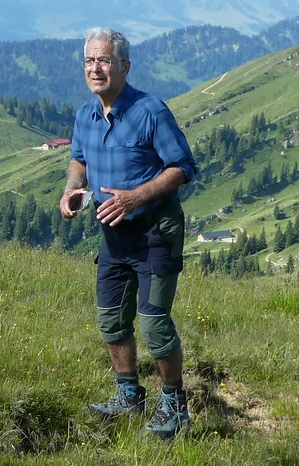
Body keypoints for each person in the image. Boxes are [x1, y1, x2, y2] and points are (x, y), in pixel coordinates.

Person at [59, 27, 198, 439]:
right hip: (113, 233)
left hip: (156, 230)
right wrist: (71, 191)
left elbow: (183, 167)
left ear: (124, 66)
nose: (95, 69)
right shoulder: (86, 114)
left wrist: (137, 197)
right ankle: (128, 396)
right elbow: (79, 161)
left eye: (103, 61)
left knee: (154, 323)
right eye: (89, 61)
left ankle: (175, 406)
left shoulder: (150, 111)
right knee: (111, 320)